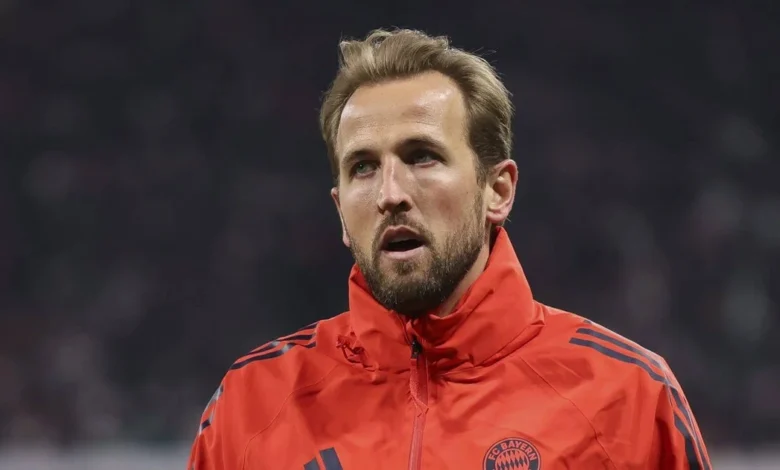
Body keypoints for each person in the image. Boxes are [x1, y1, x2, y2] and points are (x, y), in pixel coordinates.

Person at [187, 28, 712, 470]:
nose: (390, 193)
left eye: (422, 156)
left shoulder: (626, 397)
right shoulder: (253, 403)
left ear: (497, 190)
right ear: (341, 210)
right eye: (362, 167)